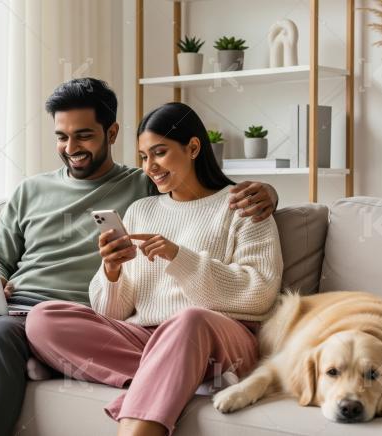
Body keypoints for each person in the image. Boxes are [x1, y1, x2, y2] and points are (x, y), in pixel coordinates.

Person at [0, 78, 280, 436]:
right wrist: (106, 272)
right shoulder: (53, 194)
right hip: (16, 308)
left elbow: (214, 215)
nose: (70, 146)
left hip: (185, 329)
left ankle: (13, 356)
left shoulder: (142, 189)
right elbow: (12, 261)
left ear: (111, 135)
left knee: (9, 331)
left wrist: (268, 193)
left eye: (83, 135)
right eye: (62, 136)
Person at [25, 102, 284, 436]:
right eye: (143, 157)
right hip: (146, 336)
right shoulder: (141, 210)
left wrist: (180, 257)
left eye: (159, 153)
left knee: (188, 320)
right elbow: (112, 313)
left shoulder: (241, 205)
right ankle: (177, 375)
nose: (150, 167)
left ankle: (146, 414)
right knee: (44, 319)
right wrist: (112, 272)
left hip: (220, 336)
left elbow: (259, 294)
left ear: (193, 147)